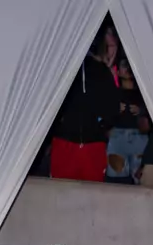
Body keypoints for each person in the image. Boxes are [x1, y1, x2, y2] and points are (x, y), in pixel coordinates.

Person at [50, 28, 121, 182]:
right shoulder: (62, 68)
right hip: (66, 142)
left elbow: (113, 108)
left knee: (90, 198)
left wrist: (101, 123)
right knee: (61, 196)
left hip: (91, 144)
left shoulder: (101, 70)